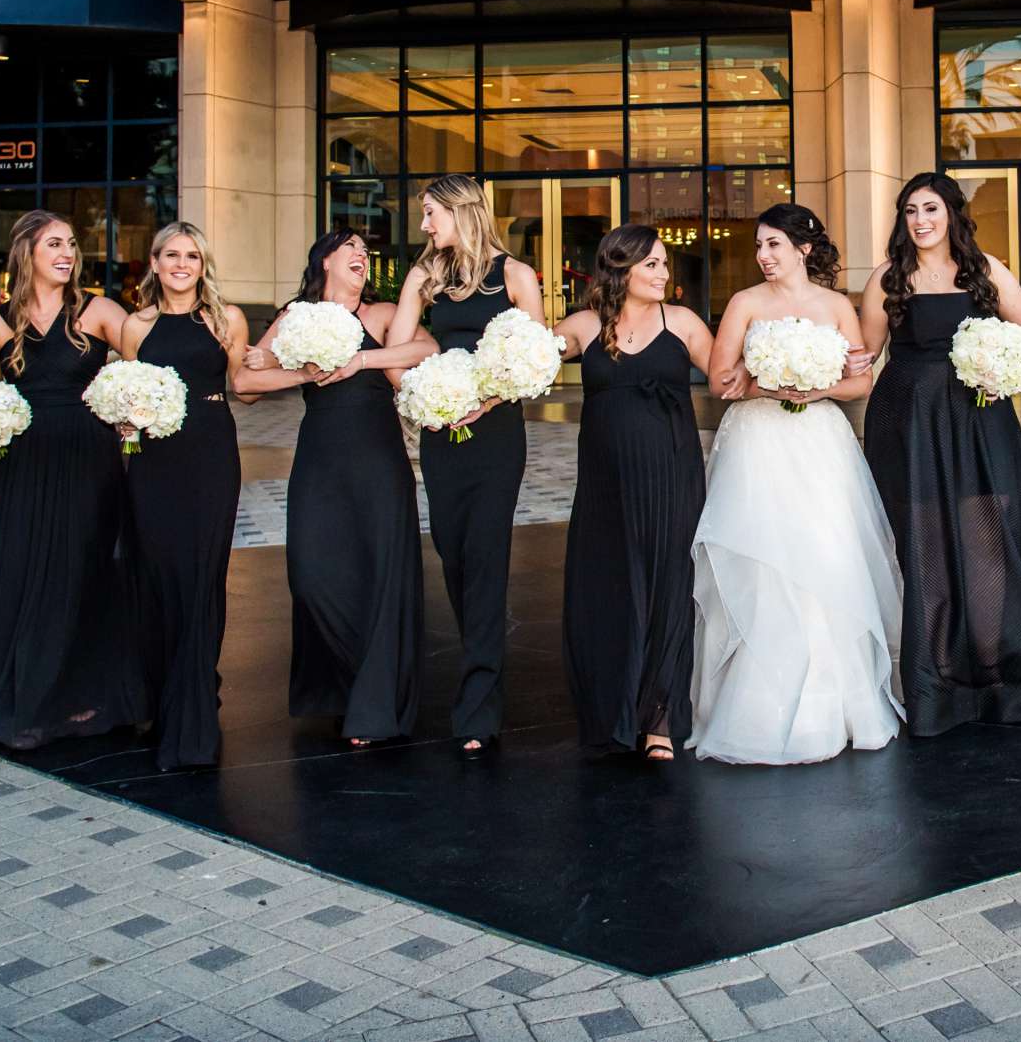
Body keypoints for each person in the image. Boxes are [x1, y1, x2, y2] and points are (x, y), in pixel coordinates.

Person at [860, 172, 1021, 735]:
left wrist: (998, 373)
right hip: (908, 420)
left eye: (930, 209)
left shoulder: (987, 270)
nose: (920, 221)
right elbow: (867, 354)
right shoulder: (887, 277)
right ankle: (938, 680)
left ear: (951, 213)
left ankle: (1002, 671)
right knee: (923, 544)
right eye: (911, 211)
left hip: (978, 416)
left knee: (987, 536)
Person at [690, 203, 902, 765]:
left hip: (820, 446)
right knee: (762, 562)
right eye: (759, 246)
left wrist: (816, 390)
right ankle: (754, 711)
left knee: (826, 559)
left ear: (803, 249)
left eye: (774, 245)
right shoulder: (744, 303)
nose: (763, 256)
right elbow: (718, 380)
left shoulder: (837, 306)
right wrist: (768, 385)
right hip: (756, 446)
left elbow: (859, 384)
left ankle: (835, 709)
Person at [239, 232, 437, 747]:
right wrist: (301, 372)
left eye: (367, 253)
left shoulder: (379, 314)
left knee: (380, 575)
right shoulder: (295, 317)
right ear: (324, 259)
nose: (362, 257)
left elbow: (426, 347)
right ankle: (344, 681)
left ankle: (373, 700)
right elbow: (244, 384)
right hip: (320, 460)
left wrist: (359, 362)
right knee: (311, 575)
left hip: (378, 460)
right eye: (350, 248)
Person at [0, 210, 146, 753]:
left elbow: (146, 367)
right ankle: (29, 699)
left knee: (86, 568)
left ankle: (88, 695)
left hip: (91, 458)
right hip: (28, 463)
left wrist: (133, 408)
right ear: (26, 253)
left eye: (70, 244)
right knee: (28, 569)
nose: (66, 253)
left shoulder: (99, 311)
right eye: (53, 244)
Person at [387, 176, 544, 761]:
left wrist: (484, 402)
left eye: (431, 213)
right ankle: (480, 665)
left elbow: (536, 359)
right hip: (442, 433)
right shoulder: (425, 277)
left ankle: (480, 702)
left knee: (485, 553)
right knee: (453, 553)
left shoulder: (515, 276)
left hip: (497, 434)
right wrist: (423, 400)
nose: (424, 225)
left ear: (461, 211)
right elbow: (401, 349)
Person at [552, 226, 712, 761]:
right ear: (620, 267)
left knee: (669, 582)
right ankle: (612, 710)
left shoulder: (684, 323)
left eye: (665, 265)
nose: (664, 274)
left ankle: (661, 719)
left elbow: (730, 378)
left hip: (671, 473)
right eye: (652, 265)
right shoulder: (582, 325)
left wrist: (803, 375)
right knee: (610, 586)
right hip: (604, 481)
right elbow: (527, 362)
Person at [118, 221, 252, 771]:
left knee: (203, 577)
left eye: (191, 256)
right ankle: (166, 692)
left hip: (211, 458)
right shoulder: (135, 325)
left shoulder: (226, 319)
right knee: (160, 576)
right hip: (151, 464)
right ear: (154, 263)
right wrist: (124, 424)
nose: (181, 265)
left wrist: (290, 367)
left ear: (202, 266)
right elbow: (125, 393)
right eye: (171, 255)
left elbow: (243, 389)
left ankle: (195, 706)